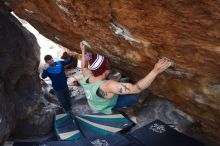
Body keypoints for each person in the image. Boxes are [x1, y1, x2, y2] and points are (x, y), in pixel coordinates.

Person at [79, 42, 172, 114]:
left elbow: (83, 66)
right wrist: (155, 71)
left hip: (94, 104)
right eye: (106, 68)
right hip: (104, 107)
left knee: (122, 82)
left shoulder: (87, 75)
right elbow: (136, 89)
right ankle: (124, 107)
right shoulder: (109, 85)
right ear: (104, 71)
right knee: (134, 96)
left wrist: (82, 50)